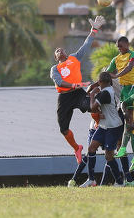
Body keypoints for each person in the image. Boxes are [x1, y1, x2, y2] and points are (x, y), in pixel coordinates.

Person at [50, 16, 106, 164]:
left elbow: (87, 44)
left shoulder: (74, 58)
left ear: (66, 54)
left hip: (78, 94)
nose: (59, 50)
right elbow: (60, 82)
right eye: (56, 51)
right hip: (65, 97)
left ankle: (98, 124)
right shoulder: (55, 68)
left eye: (60, 49)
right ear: (56, 58)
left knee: (94, 105)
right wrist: (75, 85)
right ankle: (77, 148)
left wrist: (94, 29)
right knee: (63, 129)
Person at [80, 72, 125, 187]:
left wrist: (91, 95)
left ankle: (120, 182)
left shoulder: (105, 93)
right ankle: (91, 179)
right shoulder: (108, 91)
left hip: (114, 126)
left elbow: (92, 108)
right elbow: (101, 109)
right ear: (110, 81)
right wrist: (100, 111)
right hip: (104, 125)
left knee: (108, 155)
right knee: (91, 148)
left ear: (99, 82)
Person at [108, 37, 134, 161]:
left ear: (127, 44)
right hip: (123, 90)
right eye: (118, 47)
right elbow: (108, 73)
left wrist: (116, 75)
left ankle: (125, 148)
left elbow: (130, 67)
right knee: (127, 120)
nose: (119, 49)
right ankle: (132, 151)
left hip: (133, 87)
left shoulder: (133, 54)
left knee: (129, 118)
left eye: (121, 46)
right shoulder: (115, 59)